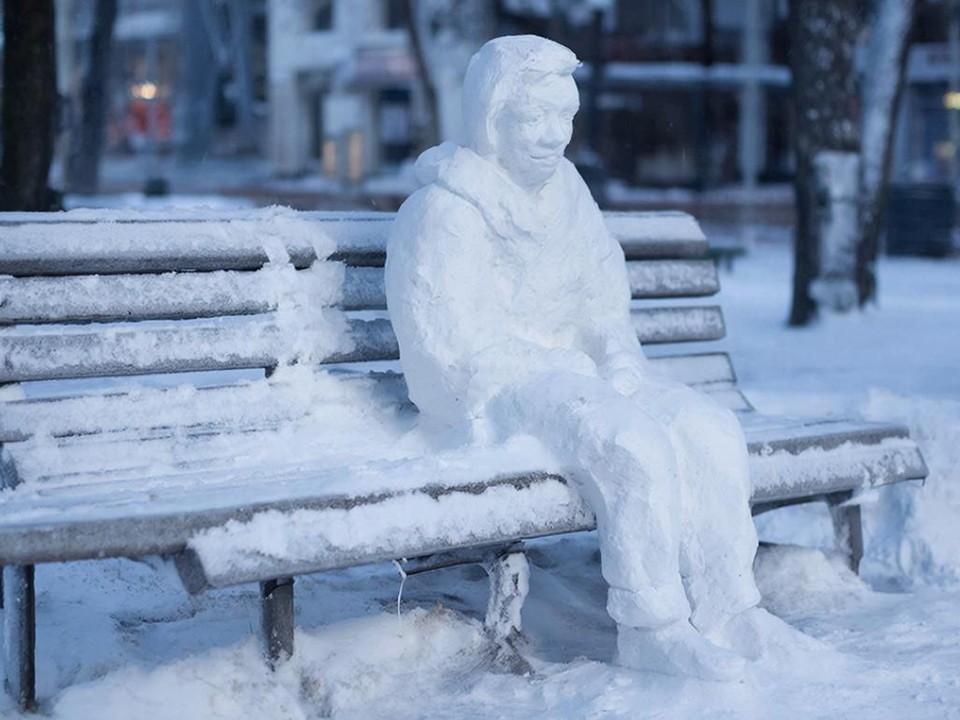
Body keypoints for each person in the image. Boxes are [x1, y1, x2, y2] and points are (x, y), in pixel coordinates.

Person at [384, 35, 772, 681]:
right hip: (493, 399)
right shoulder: (443, 213)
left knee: (709, 430)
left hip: (579, 380)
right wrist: (564, 375)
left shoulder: (570, 198)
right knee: (632, 445)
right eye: (531, 117)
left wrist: (617, 359)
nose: (550, 136)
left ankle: (732, 610)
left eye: (563, 117)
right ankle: (654, 628)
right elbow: (448, 363)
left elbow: (602, 303)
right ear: (490, 119)